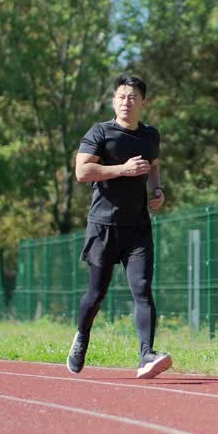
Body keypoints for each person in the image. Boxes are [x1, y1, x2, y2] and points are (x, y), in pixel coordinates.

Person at [67, 75, 172, 378]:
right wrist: (123, 170)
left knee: (142, 288)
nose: (126, 102)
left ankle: (146, 355)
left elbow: (153, 164)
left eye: (133, 97)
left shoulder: (151, 135)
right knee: (97, 292)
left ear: (143, 103)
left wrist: (157, 190)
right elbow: (82, 171)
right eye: (121, 97)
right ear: (114, 101)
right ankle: (82, 336)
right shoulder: (100, 132)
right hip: (103, 225)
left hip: (138, 226)